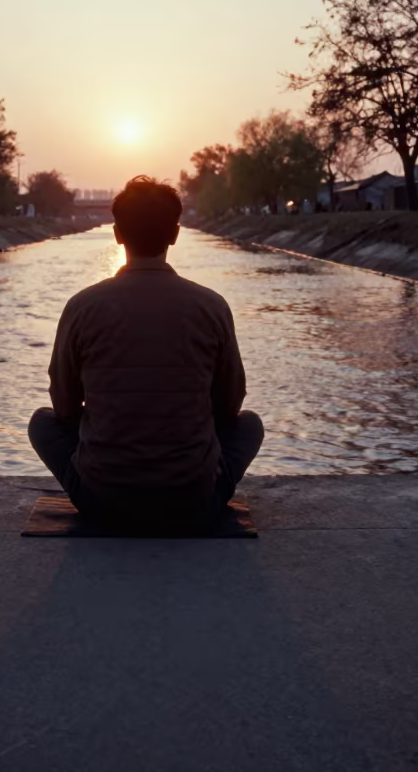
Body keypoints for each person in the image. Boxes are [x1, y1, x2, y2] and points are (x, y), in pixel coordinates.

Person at [29, 175, 263, 530]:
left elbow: (63, 406)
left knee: (42, 422)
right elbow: (230, 404)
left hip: (101, 502)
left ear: (117, 234)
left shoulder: (82, 306)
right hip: (193, 502)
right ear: (175, 234)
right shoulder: (211, 306)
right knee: (250, 425)